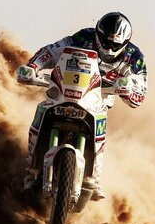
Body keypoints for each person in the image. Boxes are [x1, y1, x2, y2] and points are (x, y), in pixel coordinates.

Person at [17, 12, 147, 200]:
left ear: (125, 42)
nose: (109, 49)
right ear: (98, 34)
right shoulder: (82, 37)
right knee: (43, 108)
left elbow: (141, 92)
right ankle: (30, 170)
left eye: (115, 45)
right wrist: (33, 67)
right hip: (62, 92)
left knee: (100, 119)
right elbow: (52, 51)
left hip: (98, 100)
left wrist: (128, 90)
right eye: (105, 41)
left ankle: (93, 177)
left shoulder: (135, 57)